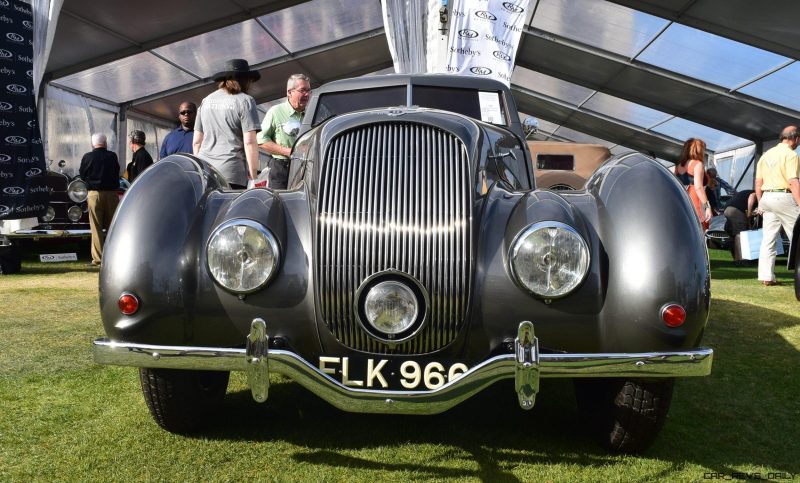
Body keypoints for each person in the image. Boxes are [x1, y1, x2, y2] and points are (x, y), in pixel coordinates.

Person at [193, 59, 261, 189]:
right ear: (246, 80)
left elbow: (197, 142)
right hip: (232, 172)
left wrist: (201, 169)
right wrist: (253, 177)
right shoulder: (245, 101)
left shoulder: (206, 101)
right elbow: (250, 142)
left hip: (206, 171)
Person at [755, 125, 800, 286]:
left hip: (767, 197)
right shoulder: (791, 155)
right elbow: (793, 181)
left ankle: (766, 277)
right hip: (783, 196)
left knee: (768, 239)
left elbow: (758, 181)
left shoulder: (766, 155)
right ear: (795, 138)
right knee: (797, 236)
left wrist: (760, 201)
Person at [257, 73, 311, 189]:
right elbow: (261, 140)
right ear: (289, 92)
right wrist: (289, 151)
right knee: (281, 204)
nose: (307, 94)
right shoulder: (276, 112)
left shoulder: (313, 114)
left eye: (308, 90)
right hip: (281, 169)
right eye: (302, 90)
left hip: (307, 169)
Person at [79, 133, 120, 267]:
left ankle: (98, 259)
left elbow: (82, 175)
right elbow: (117, 172)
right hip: (111, 194)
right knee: (112, 227)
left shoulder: (88, 157)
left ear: (93, 144)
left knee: (96, 227)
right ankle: (114, 256)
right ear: (105, 142)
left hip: (94, 194)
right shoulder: (112, 156)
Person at [675, 138, 713, 230]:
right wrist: (707, 206)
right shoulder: (697, 164)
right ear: (698, 150)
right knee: (700, 231)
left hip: (681, 202)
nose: (704, 152)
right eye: (703, 149)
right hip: (696, 203)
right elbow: (698, 187)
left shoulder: (678, 166)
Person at [723, 189, 756, 259]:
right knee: (740, 234)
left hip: (727, 209)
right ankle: (740, 259)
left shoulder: (745, 192)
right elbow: (752, 196)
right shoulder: (756, 193)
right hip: (736, 210)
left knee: (733, 234)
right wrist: (749, 213)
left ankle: (736, 257)